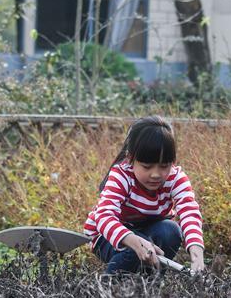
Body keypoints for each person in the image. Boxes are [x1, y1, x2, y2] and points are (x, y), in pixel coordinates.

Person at [83, 116, 204, 274]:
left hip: (147, 233)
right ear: (131, 158)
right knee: (134, 250)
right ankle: (111, 287)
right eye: (147, 166)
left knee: (170, 231)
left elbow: (189, 211)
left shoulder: (175, 178)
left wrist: (197, 253)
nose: (156, 174)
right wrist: (134, 241)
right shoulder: (122, 175)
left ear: (172, 162)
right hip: (107, 236)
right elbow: (104, 216)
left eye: (164, 166)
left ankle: (149, 283)